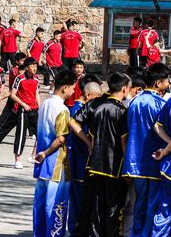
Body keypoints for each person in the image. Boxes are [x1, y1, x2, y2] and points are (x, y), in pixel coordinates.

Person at [69, 72, 131, 237]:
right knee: (113, 206)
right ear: (124, 89)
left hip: (93, 163)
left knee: (94, 205)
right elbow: (123, 142)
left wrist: (89, 143)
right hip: (114, 166)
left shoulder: (96, 104)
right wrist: (127, 167)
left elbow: (73, 121)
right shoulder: (122, 111)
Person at [121, 63, 169, 236]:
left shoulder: (134, 102)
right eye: (166, 80)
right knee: (153, 205)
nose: (168, 83)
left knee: (139, 204)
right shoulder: (160, 104)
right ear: (157, 83)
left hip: (135, 161)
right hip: (154, 161)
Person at [33, 69, 78, 237]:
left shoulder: (45, 103)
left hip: (42, 164)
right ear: (65, 88)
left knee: (40, 204)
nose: (73, 91)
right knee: (56, 205)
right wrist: (46, 153)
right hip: (56, 165)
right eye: (73, 88)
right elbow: (60, 139)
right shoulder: (62, 109)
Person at [66, 80, 103, 235]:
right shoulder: (81, 112)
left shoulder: (75, 109)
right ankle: (79, 230)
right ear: (88, 94)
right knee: (81, 200)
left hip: (74, 160)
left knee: (75, 199)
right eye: (96, 97)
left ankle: (74, 228)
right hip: (80, 160)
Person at [151, 68, 171, 237]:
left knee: (164, 211)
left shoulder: (170, 102)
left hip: (168, 165)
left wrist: (165, 145)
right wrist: (167, 148)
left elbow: (157, 125)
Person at [10, 57, 40, 169]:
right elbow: (13, 95)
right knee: (21, 134)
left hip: (34, 109)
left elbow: (37, 94)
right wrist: (23, 104)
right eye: (32, 66)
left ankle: (33, 156)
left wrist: (39, 107)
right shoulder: (19, 78)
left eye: (35, 66)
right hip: (23, 110)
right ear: (27, 67)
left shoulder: (36, 79)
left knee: (39, 134)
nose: (34, 68)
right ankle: (17, 159)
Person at [0, 52, 28, 145]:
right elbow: (19, 77)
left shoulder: (22, 69)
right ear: (17, 61)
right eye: (22, 60)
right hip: (14, 95)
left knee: (25, 115)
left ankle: (32, 132)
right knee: (6, 115)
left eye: (24, 60)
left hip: (20, 96)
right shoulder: (14, 70)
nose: (23, 62)